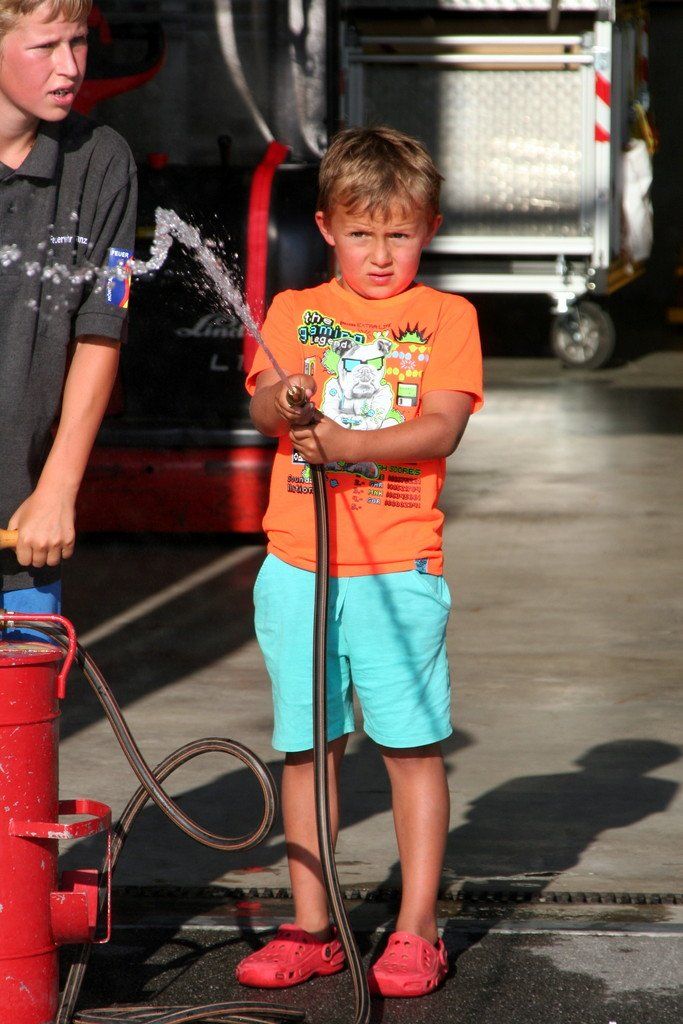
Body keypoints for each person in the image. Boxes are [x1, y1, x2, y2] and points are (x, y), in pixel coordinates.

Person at [238, 126, 483, 998]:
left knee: (410, 746)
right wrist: (287, 397)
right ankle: (313, 928)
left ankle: (417, 928)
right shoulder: (292, 310)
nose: (380, 254)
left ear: (429, 229)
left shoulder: (448, 318)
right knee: (307, 748)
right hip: (297, 565)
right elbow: (262, 407)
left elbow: (440, 427)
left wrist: (349, 444)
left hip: (396, 568)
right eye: (361, 233)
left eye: (399, 234)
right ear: (326, 228)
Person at [0, 0, 136, 620]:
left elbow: (102, 331)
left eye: (78, 42)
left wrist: (58, 488)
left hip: (23, 530)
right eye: (45, 46)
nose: (71, 66)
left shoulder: (102, 160)